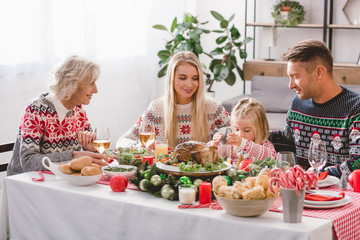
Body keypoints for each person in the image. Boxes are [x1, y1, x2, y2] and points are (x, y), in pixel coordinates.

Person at [269, 39, 360, 178]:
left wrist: (315, 176)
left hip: (341, 196)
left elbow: (357, 163)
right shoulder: (297, 104)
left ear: (319, 72)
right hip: (303, 191)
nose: (290, 85)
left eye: (295, 77)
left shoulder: (355, 108)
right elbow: (288, 140)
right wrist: (254, 134)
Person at [8, 55, 108, 176]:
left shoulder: (78, 109)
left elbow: (86, 155)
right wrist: (73, 155)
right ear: (68, 83)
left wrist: (90, 148)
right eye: (90, 83)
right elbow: (28, 162)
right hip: (26, 183)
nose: (96, 90)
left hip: (61, 180)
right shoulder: (35, 109)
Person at [116, 51, 229, 149]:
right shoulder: (156, 109)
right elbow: (122, 142)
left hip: (202, 172)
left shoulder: (212, 106)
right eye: (182, 78)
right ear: (171, 78)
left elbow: (235, 133)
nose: (190, 84)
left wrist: (222, 137)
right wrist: (141, 146)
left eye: (195, 78)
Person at [211, 97, 276, 163]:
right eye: (236, 129)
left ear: (260, 128)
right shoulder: (231, 146)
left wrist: (243, 143)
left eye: (246, 130)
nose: (240, 135)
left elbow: (271, 157)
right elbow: (213, 156)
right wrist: (214, 145)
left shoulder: (266, 145)